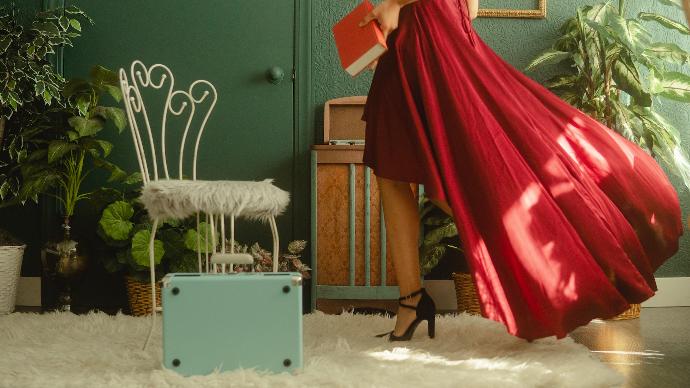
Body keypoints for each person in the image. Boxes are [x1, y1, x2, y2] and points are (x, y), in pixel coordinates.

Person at [358, 0, 683, 342]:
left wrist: (398, 6)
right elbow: (471, 9)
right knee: (392, 167)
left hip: (427, 30)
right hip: (423, 30)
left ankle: (555, 261)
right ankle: (412, 302)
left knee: (455, 173)